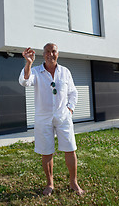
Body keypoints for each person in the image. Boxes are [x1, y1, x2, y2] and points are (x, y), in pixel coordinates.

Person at [19, 43, 84, 196]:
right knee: (46, 151)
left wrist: (70, 109)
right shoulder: (35, 71)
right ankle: (50, 184)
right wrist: (28, 63)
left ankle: (74, 182)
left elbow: (73, 92)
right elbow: (24, 81)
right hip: (43, 118)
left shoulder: (65, 72)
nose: (50, 54)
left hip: (63, 117)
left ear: (57, 53)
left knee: (70, 148)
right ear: (43, 54)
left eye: (53, 51)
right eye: (47, 51)